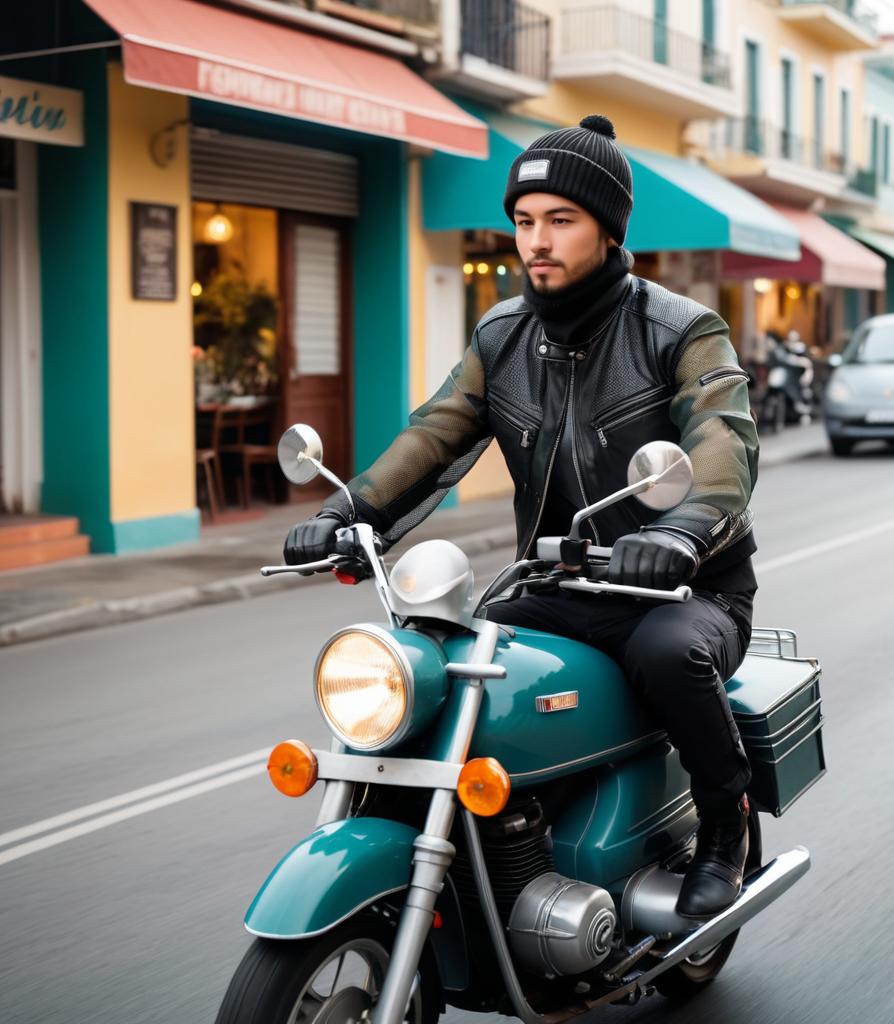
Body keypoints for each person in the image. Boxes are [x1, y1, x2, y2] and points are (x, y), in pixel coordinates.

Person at [284, 115, 759, 921]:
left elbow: (723, 439)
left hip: (683, 592)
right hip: (557, 584)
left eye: (560, 220)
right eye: (524, 220)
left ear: (608, 230)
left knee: (670, 656)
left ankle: (725, 824)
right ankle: (485, 842)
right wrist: (346, 508)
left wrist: (679, 533)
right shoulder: (502, 334)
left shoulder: (680, 328)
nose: (535, 240)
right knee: (438, 659)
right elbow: (435, 434)